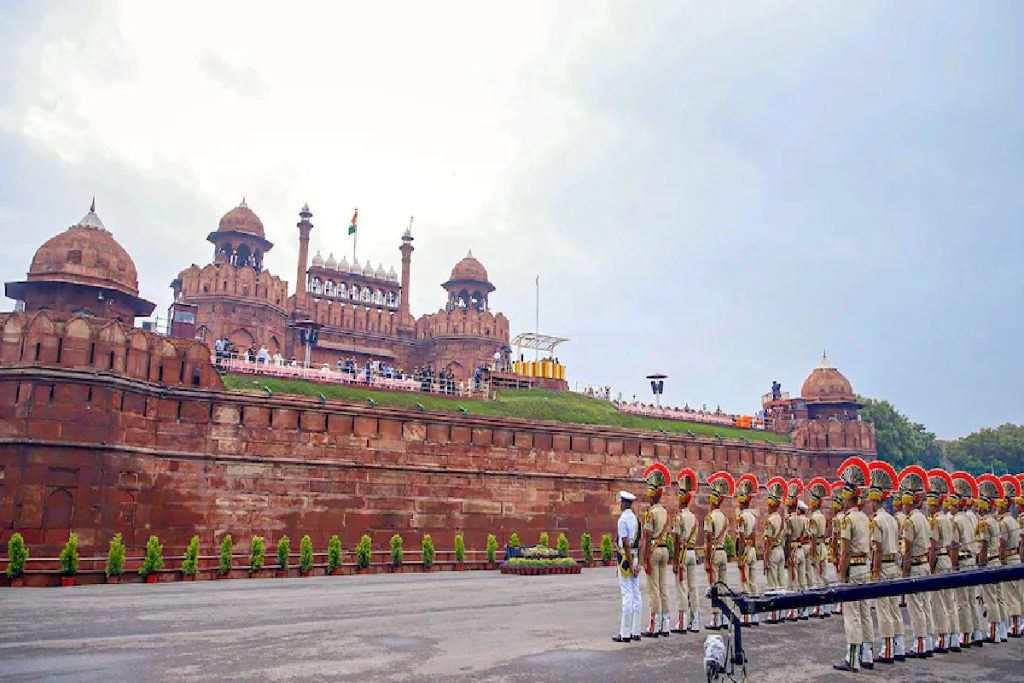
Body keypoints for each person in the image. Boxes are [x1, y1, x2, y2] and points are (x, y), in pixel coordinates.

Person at [833, 457, 873, 673]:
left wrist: (841, 575)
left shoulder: (847, 519)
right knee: (865, 611)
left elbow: (845, 550)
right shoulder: (866, 518)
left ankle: (852, 659)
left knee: (852, 614)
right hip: (864, 567)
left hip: (853, 569)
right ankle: (867, 654)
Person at [867, 460, 906, 663]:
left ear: (874, 501)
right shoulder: (892, 519)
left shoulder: (877, 521)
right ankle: (898, 647)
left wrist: (874, 570)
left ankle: (888, 650)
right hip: (894, 565)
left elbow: (877, 548)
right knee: (894, 608)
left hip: (883, 566)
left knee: (884, 610)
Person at [898, 465, 934, 658]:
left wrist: (904, 571)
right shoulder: (925, 519)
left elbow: (908, 549)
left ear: (908, 503)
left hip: (916, 567)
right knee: (926, 605)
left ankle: (920, 644)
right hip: (925, 565)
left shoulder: (910, 521)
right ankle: (927, 641)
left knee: (917, 607)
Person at [950, 471, 983, 647]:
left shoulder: (956, 521)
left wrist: (953, 566)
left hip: (962, 562)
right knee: (972, 600)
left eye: (952, 505)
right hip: (971, 560)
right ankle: (977, 633)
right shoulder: (970, 519)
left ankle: (965, 635)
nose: (950, 508)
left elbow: (954, 546)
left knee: (962, 602)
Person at [926, 469, 957, 653]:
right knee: (950, 602)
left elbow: (934, 547)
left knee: (939, 604)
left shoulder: (935, 521)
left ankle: (943, 639)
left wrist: (930, 567)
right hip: (948, 559)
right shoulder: (947, 519)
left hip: (939, 561)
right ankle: (953, 637)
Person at [640, 463, 673, 637]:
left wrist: (645, 558)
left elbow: (646, 536)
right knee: (663, 587)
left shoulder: (650, 513)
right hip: (665, 549)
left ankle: (654, 625)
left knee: (653, 589)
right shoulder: (665, 512)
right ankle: (666, 623)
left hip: (653, 549)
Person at [977, 474, 1008, 643]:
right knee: (999, 598)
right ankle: (1002, 630)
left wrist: (981, 565)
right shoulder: (995, 521)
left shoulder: (984, 522)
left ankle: (994, 632)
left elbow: (983, 546)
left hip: (989, 561)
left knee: (990, 600)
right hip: (997, 560)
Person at [671, 468, 700, 633]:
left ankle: (682, 622)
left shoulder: (679, 517)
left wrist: (675, 560)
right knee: (693, 586)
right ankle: (695, 621)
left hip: (682, 553)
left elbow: (676, 540)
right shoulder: (694, 517)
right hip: (692, 552)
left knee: (681, 586)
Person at [704, 471, 735, 631]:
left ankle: (715, 618)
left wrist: (706, 559)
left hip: (715, 553)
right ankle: (724, 617)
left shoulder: (710, 517)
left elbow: (708, 540)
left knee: (714, 586)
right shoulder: (725, 517)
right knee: (723, 586)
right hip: (723, 552)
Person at [612, 490, 642, 643]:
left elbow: (625, 543)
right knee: (636, 594)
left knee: (627, 595)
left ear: (623, 504)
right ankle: (636, 631)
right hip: (636, 558)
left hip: (625, 559)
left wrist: (630, 564)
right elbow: (641, 543)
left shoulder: (622, 520)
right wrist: (638, 564)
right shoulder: (637, 520)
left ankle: (624, 633)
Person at [998, 475, 1023, 638]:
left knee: (1011, 595)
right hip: (1016, 557)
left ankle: (1014, 625)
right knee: (1019, 593)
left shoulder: (1005, 522)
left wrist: (1001, 559)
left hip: (1010, 558)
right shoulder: (1014, 520)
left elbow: (1002, 544)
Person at [735, 473, 760, 627]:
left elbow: (742, 537)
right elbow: (753, 535)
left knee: (744, 584)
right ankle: (754, 615)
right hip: (752, 550)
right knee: (753, 583)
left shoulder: (741, 517)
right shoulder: (752, 516)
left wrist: (739, 556)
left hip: (745, 551)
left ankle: (746, 617)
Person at [805, 478, 831, 618]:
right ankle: (826, 607)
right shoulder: (822, 516)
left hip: (817, 548)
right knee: (824, 577)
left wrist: (813, 555)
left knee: (817, 578)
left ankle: (819, 608)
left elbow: (813, 538)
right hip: (823, 547)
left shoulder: (814, 518)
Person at [763, 476, 788, 624]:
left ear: (771, 505)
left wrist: (765, 559)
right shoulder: (782, 520)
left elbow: (768, 542)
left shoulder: (770, 520)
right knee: (781, 582)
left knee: (772, 583)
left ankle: (773, 615)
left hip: (773, 551)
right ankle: (782, 612)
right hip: (781, 551)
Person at [783, 479, 809, 621]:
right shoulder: (802, 519)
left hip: (792, 551)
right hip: (800, 549)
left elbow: (786, 539)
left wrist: (786, 556)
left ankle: (792, 611)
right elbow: (806, 535)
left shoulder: (789, 520)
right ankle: (803, 609)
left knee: (792, 582)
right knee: (802, 580)